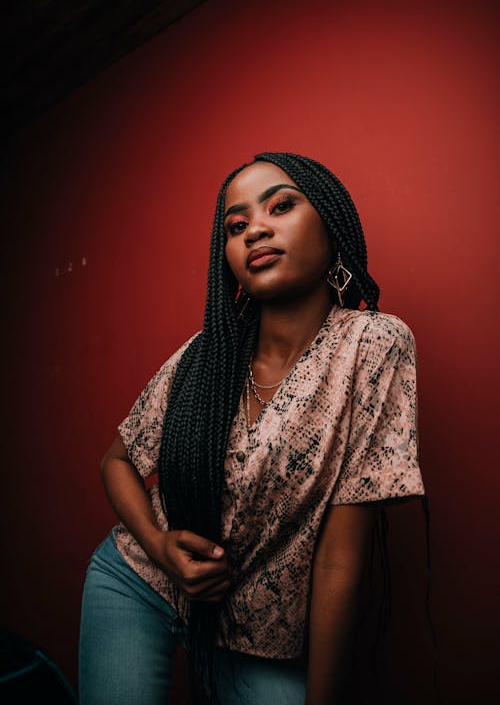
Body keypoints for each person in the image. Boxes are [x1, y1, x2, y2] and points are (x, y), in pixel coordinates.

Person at [78, 152, 426, 705]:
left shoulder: (372, 346)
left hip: (256, 633)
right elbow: (114, 462)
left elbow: (341, 556)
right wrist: (161, 547)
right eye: (236, 226)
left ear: (332, 227)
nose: (255, 229)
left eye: (281, 206)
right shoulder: (206, 354)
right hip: (139, 583)